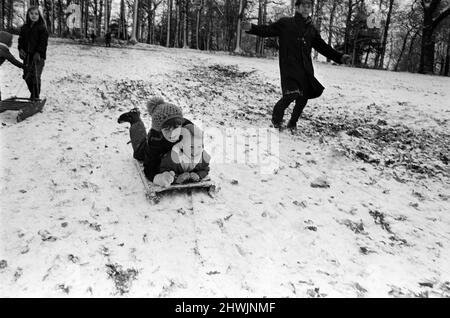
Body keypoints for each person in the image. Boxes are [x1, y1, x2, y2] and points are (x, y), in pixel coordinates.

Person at [242, 0, 351, 130]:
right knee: (291, 94)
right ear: (297, 7)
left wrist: (340, 57)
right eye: (303, 5)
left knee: (303, 97)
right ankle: (276, 119)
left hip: (305, 68)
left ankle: (293, 123)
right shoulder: (286, 23)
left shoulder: (311, 29)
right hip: (289, 66)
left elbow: (323, 47)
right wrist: (252, 28)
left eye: (309, 5)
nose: (306, 8)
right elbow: (267, 30)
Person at [118, 97, 205, 187]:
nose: (172, 134)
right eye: (167, 129)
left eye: (175, 127)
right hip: (157, 147)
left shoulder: (189, 129)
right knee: (139, 154)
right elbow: (149, 168)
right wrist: (159, 177)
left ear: (180, 124)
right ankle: (134, 118)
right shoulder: (155, 139)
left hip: (172, 153)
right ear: (160, 129)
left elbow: (198, 149)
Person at [18, 6, 49, 100]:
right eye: (31, 13)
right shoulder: (24, 28)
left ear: (39, 15)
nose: (34, 16)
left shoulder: (42, 28)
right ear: (28, 15)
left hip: (38, 57)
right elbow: (21, 40)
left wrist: (38, 53)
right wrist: (20, 50)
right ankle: (33, 93)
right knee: (27, 76)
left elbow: (43, 42)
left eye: (36, 14)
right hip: (27, 57)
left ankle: (35, 96)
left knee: (35, 76)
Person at [0, 31, 25, 100]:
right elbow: (14, 61)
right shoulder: (4, 50)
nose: (11, 43)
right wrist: (25, 67)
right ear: (7, 41)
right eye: (10, 41)